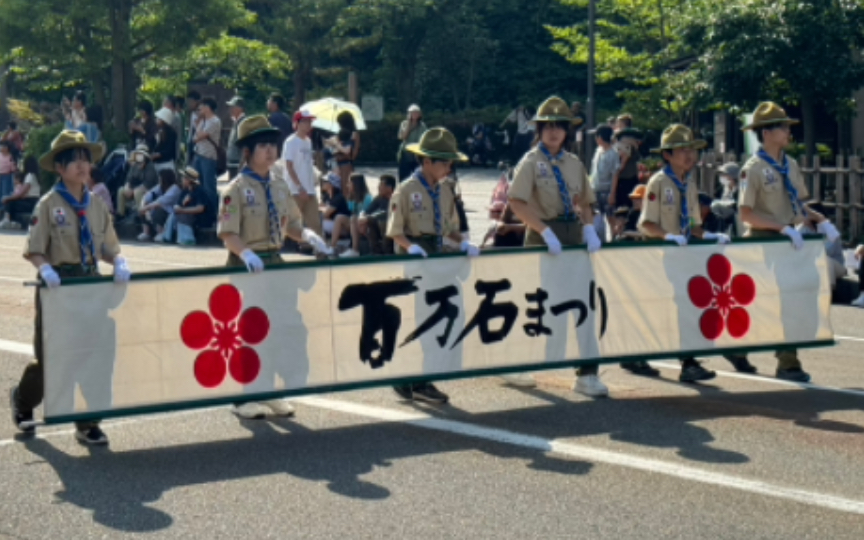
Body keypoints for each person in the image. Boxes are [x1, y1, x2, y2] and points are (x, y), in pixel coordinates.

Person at [9, 130, 131, 445]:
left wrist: (117, 261)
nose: (80, 165)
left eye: (84, 159)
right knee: (52, 359)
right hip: (59, 287)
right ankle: (23, 400)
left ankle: (87, 422)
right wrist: (45, 268)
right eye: (72, 160)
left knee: (96, 355)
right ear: (59, 169)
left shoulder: (97, 204)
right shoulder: (49, 204)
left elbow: (106, 245)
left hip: (90, 286)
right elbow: (35, 247)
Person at [217, 115, 328, 419]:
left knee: (275, 330)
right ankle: (244, 397)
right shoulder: (237, 189)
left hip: (275, 263)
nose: (269, 150)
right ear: (247, 152)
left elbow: (291, 224)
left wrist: (306, 235)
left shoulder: (279, 184)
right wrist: (246, 254)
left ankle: (269, 391)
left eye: (272, 144)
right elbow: (228, 232)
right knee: (249, 331)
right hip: (248, 265)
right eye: (262, 145)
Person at [507, 96, 605, 396]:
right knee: (539, 303)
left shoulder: (574, 164)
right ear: (539, 130)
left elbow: (586, 202)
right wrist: (544, 231)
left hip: (572, 235)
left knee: (583, 303)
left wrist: (589, 228)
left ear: (566, 131)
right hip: (542, 236)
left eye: (559, 127)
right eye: (547, 127)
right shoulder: (531, 162)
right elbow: (516, 202)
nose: (553, 132)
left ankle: (587, 373)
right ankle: (519, 364)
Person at [738, 102, 841, 383]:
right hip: (763, 241)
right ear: (766, 132)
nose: (787, 131)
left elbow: (799, 203)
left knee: (789, 302)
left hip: (788, 240)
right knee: (760, 304)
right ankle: (746, 350)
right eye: (782, 126)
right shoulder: (753, 169)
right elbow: (746, 214)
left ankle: (787, 361)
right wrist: (781, 227)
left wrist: (820, 221)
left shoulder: (789, 164)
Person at [386, 126, 480, 404]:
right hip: (416, 257)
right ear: (426, 161)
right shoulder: (406, 189)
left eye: (450, 162)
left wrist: (461, 242)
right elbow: (394, 230)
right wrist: (410, 246)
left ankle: (413, 378)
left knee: (447, 316)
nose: (448, 167)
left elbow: (449, 226)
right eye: (443, 161)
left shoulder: (445, 190)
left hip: (438, 256)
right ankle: (419, 381)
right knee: (426, 319)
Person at [637, 124, 733, 382]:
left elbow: (693, 224)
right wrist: (667, 236)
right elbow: (646, 223)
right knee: (656, 307)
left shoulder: (689, 184)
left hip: (684, 257)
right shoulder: (658, 182)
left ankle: (688, 362)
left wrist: (708, 234)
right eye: (681, 150)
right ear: (667, 155)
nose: (689, 155)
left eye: (691, 149)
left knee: (687, 306)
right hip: (661, 256)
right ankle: (635, 353)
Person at [282, 108, 322, 236]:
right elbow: (289, 166)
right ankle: (274, 249)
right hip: (295, 190)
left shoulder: (308, 141)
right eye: (305, 121)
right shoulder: (291, 142)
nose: (308, 124)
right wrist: (300, 187)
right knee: (289, 223)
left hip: (310, 190)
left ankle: (321, 252)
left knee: (315, 224)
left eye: (310, 122)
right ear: (297, 123)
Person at [588, 124, 620, 241]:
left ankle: (613, 239)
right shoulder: (598, 151)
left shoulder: (613, 153)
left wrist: (612, 193)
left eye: (597, 137)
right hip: (595, 188)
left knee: (610, 216)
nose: (596, 139)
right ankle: (598, 238)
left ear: (601, 137)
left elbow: (615, 174)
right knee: (596, 216)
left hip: (607, 190)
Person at [163, 167, 210, 246]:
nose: (182, 179)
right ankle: (167, 237)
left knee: (182, 215)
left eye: (184, 178)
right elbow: (178, 205)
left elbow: (200, 208)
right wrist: (179, 207)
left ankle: (188, 238)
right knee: (173, 214)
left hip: (201, 218)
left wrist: (182, 210)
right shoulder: (185, 191)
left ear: (188, 180)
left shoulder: (199, 191)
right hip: (188, 215)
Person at [192, 96, 222, 211]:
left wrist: (198, 124)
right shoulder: (203, 121)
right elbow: (195, 138)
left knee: (209, 186)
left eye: (202, 106)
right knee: (197, 183)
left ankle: (213, 212)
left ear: (208, 108)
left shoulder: (215, 121)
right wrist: (200, 122)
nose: (200, 109)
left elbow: (201, 135)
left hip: (208, 157)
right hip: (198, 154)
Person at [138, 169, 182, 242]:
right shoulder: (160, 186)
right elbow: (148, 195)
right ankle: (146, 232)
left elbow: (161, 201)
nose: (159, 179)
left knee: (159, 210)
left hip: (171, 212)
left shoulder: (175, 189)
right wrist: (143, 205)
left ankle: (161, 232)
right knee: (144, 209)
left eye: (160, 178)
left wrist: (146, 208)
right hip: (158, 207)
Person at [116, 145, 159, 221]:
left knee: (137, 192)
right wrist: (127, 187)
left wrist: (133, 190)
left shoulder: (150, 167)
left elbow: (148, 184)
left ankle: (141, 215)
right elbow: (128, 179)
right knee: (121, 190)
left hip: (149, 191)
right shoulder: (134, 165)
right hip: (135, 188)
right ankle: (121, 214)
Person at [357, 174, 396, 254]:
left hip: (393, 226)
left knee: (381, 222)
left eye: (381, 185)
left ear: (389, 188)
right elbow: (367, 210)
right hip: (380, 226)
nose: (378, 188)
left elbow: (389, 213)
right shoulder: (379, 198)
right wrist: (361, 217)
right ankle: (375, 252)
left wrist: (368, 218)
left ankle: (387, 253)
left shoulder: (396, 198)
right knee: (369, 222)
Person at [609, 125, 643, 211]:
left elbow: (620, 167)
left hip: (627, 180)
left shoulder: (630, 149)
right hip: (623, 181)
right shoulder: (623, 148)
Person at [0, 155, 40, 228]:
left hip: (31, 202)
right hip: (31, 201)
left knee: (10, 202)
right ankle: (13, 222)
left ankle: (7, 220)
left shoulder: (30, 176)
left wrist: (8, 198)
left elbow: (21, 193)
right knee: (11, 202)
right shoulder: (34, 176)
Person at [341, 172, 373, 257]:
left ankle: (355, 250)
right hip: (354, 223)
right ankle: (333, 247)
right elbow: (349, 211)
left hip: (364, 224)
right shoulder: (351, 197)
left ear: (356, 184)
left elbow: (368, 214)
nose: (348, 185)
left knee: (354, 218)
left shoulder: (368, 198)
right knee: (339, 218)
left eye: (350, 183)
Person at [327, 112, 360, 188]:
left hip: (346, 164)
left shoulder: (354, 134)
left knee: (345, 188)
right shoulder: (340, 134)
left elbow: (353, 154)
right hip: (336, 164)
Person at [320, 172, 352, 251]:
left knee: (319, 219)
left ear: (331, 184)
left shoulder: (338, 197)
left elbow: (325, 214)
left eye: (325, 181)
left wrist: (322, 209)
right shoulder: (326, 196)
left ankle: (330, 246)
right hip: (331, 223)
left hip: (343, 227)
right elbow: (320, 208)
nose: (323, 183)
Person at [710, 162, 742, 236]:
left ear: (733, 175)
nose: (722, 177)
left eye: (725, 174)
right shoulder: (726, 188)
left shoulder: (740, 189)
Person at [397, 104, 427, 181]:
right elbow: (403, 137)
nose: (414, 115)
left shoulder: (422, 126)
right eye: (412, 113)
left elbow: (424, 139)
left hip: (416, 154)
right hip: (405, 153)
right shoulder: (404, 124)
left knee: (417, 177)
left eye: (416, 113)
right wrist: (409, 125)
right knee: (403, 177)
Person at [226, 96, 247, 179]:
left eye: (233, 107)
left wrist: (242, 163)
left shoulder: (243, 122)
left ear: (239, 108)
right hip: (233, 163)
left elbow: (244, 144)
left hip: (238, 163)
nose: (230, 109)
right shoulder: (236, 122)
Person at [152, 107, 178, 172]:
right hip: (156, 163)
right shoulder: (157, 130)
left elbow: (169, 150)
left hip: (166, 163)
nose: (156, 120)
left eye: (159, 118)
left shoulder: (171, 132)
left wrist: (159, 154)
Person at [185, 90, 201, 165]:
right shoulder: (192, 113)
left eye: (190, 102)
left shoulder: (200, 114)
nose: (189, 104)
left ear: (197, 101)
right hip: (191, 142)